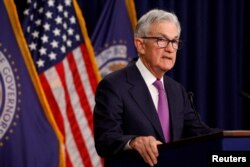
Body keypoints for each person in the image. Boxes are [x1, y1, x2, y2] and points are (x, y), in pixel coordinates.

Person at [93, 9, 220, 166]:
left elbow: (201, 134)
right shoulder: (114, 85)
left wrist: (241, 141)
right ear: (140, 45)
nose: (170, 49)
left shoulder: (176, 91)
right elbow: (105, 138)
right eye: (161, 40)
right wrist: (133, 141)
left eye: (174, 41)